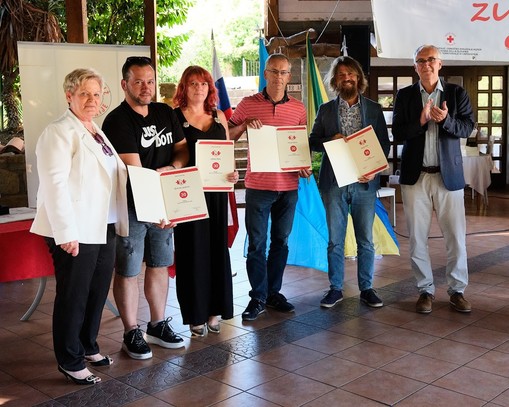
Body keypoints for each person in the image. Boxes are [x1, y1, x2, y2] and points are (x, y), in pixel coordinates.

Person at [30, 68, 129, 385]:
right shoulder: (59, 131)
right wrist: (66, 233)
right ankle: (70, 359)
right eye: (84, 93)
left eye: (96, 94)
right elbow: (55, 185)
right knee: (73, 295)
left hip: (103, 224)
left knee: (97, 291)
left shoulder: (95, 130)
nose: (92, 99)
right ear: (69, 95)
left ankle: (88, 345)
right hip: (74, 228)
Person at [102, 56, 189, 359]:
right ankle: (131, 331)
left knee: (160, 263)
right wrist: (159, 208)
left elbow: (182, 149)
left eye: (150, 81)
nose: (145, 87)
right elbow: (135, 171)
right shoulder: (117, 120)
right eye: (138, 81)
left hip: (163, 200)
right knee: (128, 269)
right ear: (124, 84)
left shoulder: (165, 112)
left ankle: (157, 324)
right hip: (131, 204)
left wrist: (172, 168)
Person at [229, 53, 312, 321]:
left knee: (281, 242)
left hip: (288, 186)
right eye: (274, 71)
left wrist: (304, 165)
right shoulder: (248, 104)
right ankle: (258, 297)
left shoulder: (298, 109)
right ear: (265, 74)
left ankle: (273, 293)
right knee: (257, 244)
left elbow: (299, 146)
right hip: (258, 186)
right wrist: (244, 124)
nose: (278, 77)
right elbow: (227, 135)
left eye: (283, 72)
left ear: (289, 76)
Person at [392, 44, 475, 314]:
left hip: (448, 176)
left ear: (440, 64)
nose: (425, 64)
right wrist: (420, 121)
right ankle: (425, 290)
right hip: (415, 177)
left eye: (431, 59)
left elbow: (467, 127)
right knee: (417, 238)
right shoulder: (405, 95)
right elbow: (398, 133)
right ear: (414, 66)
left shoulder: (456, 93)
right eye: (420, 60)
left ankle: (457, 291)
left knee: (456, 237)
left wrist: (445, 121)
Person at [309, 56, 391, 309]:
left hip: (364, 184)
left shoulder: (374, 109)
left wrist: (373, 170)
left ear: (358, 78)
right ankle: (335, 289)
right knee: (335, 240)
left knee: (365, 240)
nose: (347, 78)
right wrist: (329, 140)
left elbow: (383, 145)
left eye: (351, 74)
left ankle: (367, 288)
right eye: (342, 74)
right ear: (335, 80)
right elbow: (312, 142)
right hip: (334, 183)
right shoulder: (325, 110)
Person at [172, 66, 238, 336]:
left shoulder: (219, 116)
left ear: (210, 88)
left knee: (216, 250)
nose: (198, 88)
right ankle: (195, 314)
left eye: (203, 84)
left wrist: (232, 173)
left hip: (217, 194)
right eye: (192, 83)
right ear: (184, 88)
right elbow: (175, 154)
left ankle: (214, 311)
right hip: (188, 194)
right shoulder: (175, 117)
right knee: (191, 252)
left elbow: (225, 155)